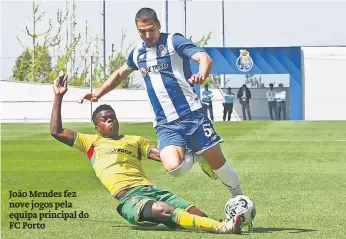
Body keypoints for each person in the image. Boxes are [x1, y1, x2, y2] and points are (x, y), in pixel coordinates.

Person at [79, 8, 244, 198]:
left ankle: (240, 198)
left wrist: (202, 74)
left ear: (158, 25)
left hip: (192, 115)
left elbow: (204, 58)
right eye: (142, 31)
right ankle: (199, 156)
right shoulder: (137, 53)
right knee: (174, 169)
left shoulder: (174, 41)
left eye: (151, 29)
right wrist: (99, 93)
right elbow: (119, 73)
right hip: (166, 123)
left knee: (220, 166)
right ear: (137, 30)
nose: (147, 35)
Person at [50, 74, 241, 234]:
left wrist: (192, 154)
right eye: (105, 119)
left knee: (197, 215)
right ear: (97, 127)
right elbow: (56, 131)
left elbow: (162, 156)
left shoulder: (135, 140)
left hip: (151, 190)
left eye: (113, 118)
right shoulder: (90, 142)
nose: (111, 121)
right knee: (163, 210)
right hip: (128, 197)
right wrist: (58, 96)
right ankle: (222, 227)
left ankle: (229, 221)